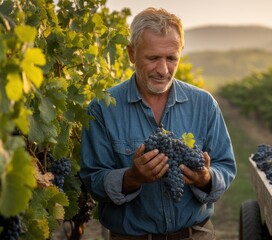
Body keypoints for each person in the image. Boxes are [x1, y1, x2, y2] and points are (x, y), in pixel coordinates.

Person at [80, 7, 237, 240]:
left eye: (171, 58)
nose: (163, 70)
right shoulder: (103, 108)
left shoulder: (204, 104)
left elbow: (225, 166)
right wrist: (131, 178)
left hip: (196, 234)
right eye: (153, 58)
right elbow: (92, 179)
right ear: (132, 54)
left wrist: (206, 179)